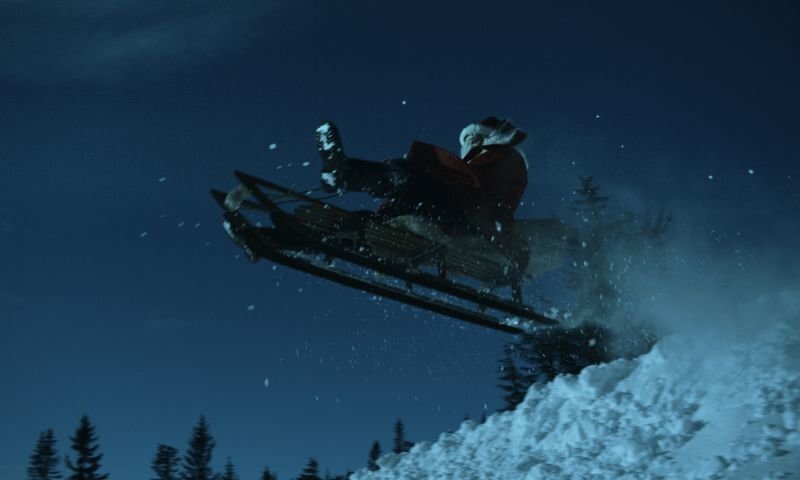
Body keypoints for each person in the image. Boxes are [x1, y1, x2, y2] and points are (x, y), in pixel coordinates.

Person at [315, 117, 529, 263]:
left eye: (474, 139)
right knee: (403, 189)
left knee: (408, 177)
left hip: (467, 221)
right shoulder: (475, 169)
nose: (468, 145)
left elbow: (484, 200)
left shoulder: (504, 159)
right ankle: (351, 224)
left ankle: (345, 175)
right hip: (451, 214)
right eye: (467, 141)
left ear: (492, 138)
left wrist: (427, 171)